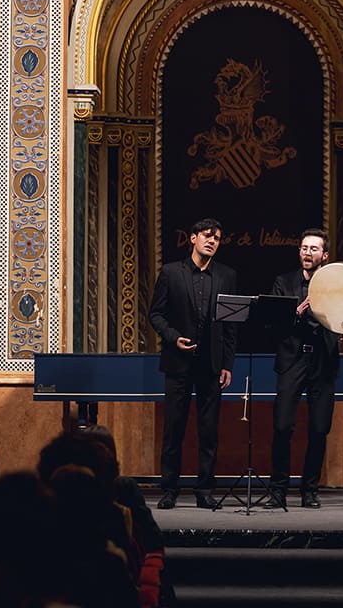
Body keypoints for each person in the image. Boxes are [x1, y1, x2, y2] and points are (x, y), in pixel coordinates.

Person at [148, 218, 237, 510]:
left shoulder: (226, 275)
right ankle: (169, 489)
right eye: (208, 236)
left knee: (209, 430)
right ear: (193, 238)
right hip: (178, 362)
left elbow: (230, 326)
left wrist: (227, 364)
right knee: (174, 428)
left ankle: (204, 490)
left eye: (218, 238)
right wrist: (174, 338)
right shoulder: (171, 273)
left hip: (211, 364)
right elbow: (156, 315)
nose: (212, 241)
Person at [267, 228, 343, 509]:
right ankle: (278, 490)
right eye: (304, 248)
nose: (307, 253)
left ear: (324, 256)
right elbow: (272, 324)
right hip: (292, 361)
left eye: (313, 249)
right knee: (282, 427)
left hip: (323, 363)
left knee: (319, 429)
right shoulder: (283, 282)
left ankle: (310, 491)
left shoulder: (337, 287)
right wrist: (295, 313)